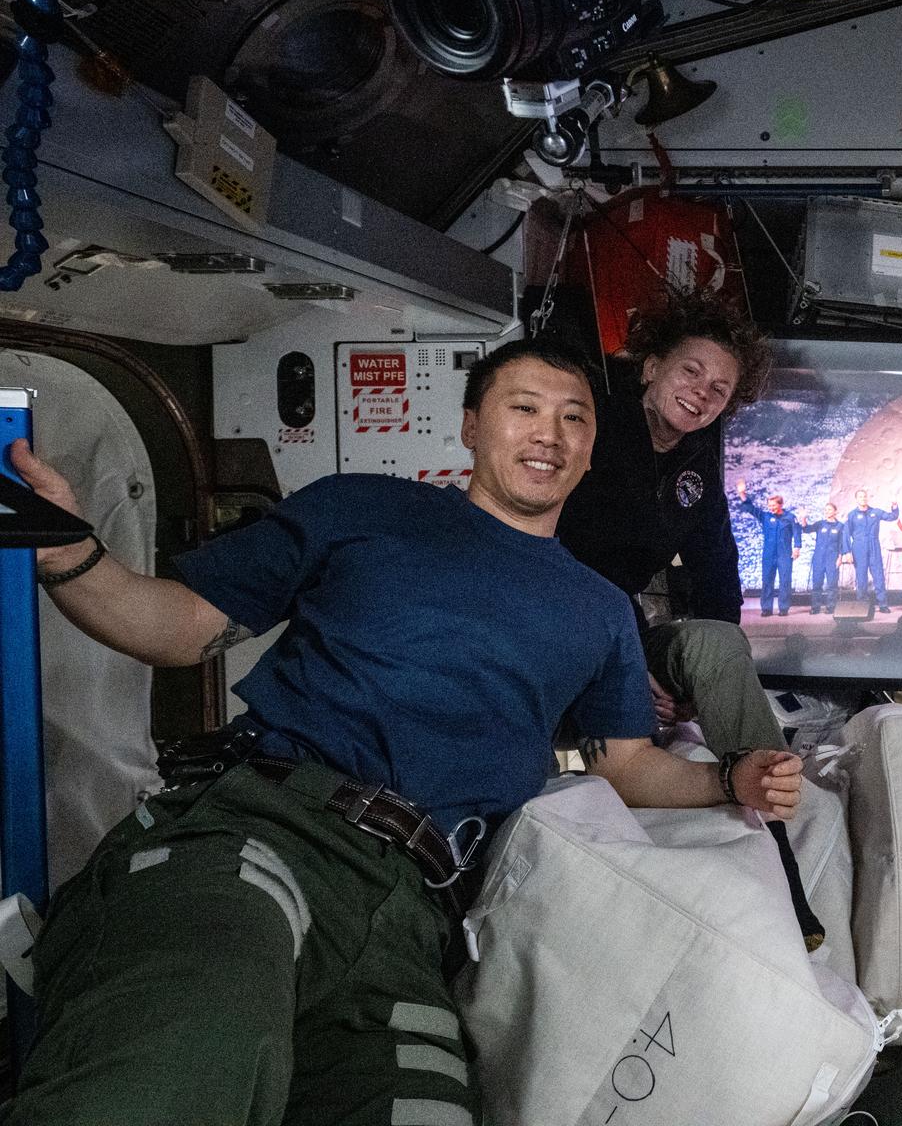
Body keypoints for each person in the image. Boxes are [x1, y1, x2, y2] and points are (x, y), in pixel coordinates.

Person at [4, 338, 801, 1126]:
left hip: (418, 921)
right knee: (180, 1058)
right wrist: (75, 556)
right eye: (522, 409)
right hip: (266, 835)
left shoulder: (601, 611)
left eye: (573, 419)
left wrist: (729, 779)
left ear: (592, 450)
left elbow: (625, 765)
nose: (548, 435)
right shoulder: (362, 509)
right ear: (471, 427)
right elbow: (179, 629)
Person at [556, 292, 786, 756]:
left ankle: (769, 792)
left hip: (627, 632)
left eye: (719, 389)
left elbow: (718, 571)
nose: (703, 391)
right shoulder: (592, 436)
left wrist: (692, 690)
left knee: (718, 642)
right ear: (652, 369)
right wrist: (629, 657)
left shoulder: (695, 468)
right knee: (631, 705)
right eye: (691, 371)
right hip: (561, 617)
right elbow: (583, 561)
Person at [735, 481, 801, 616]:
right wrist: (742, 494)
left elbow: (797, 532)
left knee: (785, 581)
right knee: (767, 581)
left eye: (773, 505)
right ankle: (766, 608)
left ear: (780, 504)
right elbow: (751, 508)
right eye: (769, 505)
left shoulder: (790, 517)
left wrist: (797, 548)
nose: (771, 508)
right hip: (769, 555)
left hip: (784, 554)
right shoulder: (766, 516)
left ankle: (783, 608)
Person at [845, 489, 902, 614]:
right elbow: (845, 534)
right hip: (859, 546)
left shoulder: (875, 512)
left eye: (864, 496)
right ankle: (862, 604)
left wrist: (894, 505)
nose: (863, 498)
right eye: (860, 496)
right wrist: (847, 552)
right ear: (856, 499)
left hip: (873, 545)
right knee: (861, 576)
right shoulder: (852, 515)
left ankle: (882, 604)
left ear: (867, 498)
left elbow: (892, 517)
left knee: (878, 575)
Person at [798, 502, 849, 614]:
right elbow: (806, 529)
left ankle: (831, 607)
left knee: (832, 584)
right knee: (817, 583)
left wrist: (840, 558)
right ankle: (815, 607)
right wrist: (804, 518)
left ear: (835, 511)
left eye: (830, 510)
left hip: (832, 558)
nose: (827, 512)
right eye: (825, 510)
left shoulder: (840, 526)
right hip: (819, 558)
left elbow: (841, 543)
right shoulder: (820, 524)